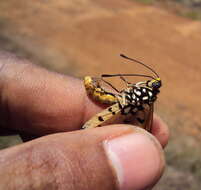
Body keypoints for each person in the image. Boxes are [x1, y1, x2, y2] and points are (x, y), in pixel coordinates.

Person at [0, 51, 169, 190]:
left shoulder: (145, 101)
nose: (150, 84)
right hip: (119, 106)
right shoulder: (142, 94)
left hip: (116, 117)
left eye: (152, 85)